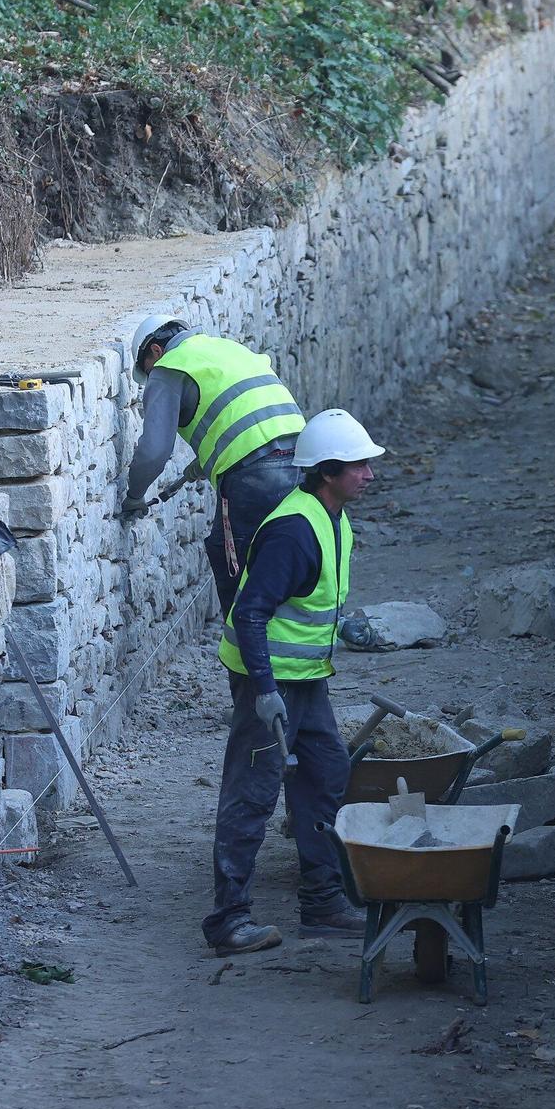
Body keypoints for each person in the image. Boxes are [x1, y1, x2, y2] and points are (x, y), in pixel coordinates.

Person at [201, 409, 384, 956]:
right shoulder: (294, 530)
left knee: (327, 775)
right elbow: (252, 611)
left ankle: (323, 903)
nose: (369, 475)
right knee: (250, 795)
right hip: (272, 684)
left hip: (305, 679)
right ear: (327, 471)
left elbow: (308, 598)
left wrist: (342, 624)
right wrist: (265, 691)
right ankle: (229, 921)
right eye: (359, 466)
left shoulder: (333, 516)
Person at [123, 315, 306, 615]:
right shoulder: (225, 348)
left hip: (256, 472)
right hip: (302, 456)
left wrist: (134, 496)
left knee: (235, 561)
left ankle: (246, 654)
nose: (151, 377)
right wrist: (206, 462)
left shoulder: (170, 366)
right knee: (288, 549)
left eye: (148, 371)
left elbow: (154, 451)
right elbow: (245, 414)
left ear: (155, 351)